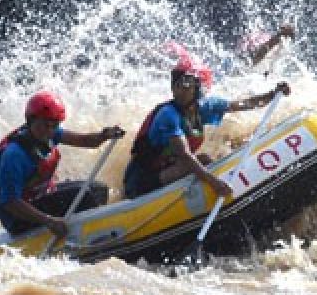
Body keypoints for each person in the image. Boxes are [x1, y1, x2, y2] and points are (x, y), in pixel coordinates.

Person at [123, 58, 291, 199]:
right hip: (142, 181)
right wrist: (215, 183)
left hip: (168, 169)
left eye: (186, 85)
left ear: (197, 88)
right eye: (176, 85)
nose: (179, 90)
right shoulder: (168, 115)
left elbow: (244, 104)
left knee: (205, 159)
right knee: (195, 164)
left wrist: (272, 94)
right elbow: (185, 155)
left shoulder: (206, 107)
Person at [0, 90, 124, 238]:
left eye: (54, 125)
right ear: (31, 120)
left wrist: (104, 135)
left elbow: (85, 141)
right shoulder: (14, 155)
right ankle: (83, 238)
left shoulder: (50, 133)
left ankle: (85, 232)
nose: (50, 130)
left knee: (98, 189)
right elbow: (10, 203)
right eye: (45, 125)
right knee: (86, 196)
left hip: (38, 198)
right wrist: (49, 222)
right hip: (17, 218)